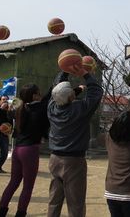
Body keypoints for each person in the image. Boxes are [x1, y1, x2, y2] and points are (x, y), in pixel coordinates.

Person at [47, 65, 103, 217]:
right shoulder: (79, 109)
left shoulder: (51, 108)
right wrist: (85, 73)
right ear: (72, 97)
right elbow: (96, 92)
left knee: (54, 200)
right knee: (76, 202)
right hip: (73, 162)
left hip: (54, 159)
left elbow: (57, 87)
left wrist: (65, 69)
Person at [0, 83, 51, 217]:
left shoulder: (20, 109)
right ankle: (20, 214)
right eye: (38, 93)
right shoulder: (39, 109)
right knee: (28, 186)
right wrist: (66, 76)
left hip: (18, 149)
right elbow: (50, 96)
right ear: (34, 96)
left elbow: (47, 96)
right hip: (29, 150)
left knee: (13, 182)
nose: (41, 95)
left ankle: (1, 212)